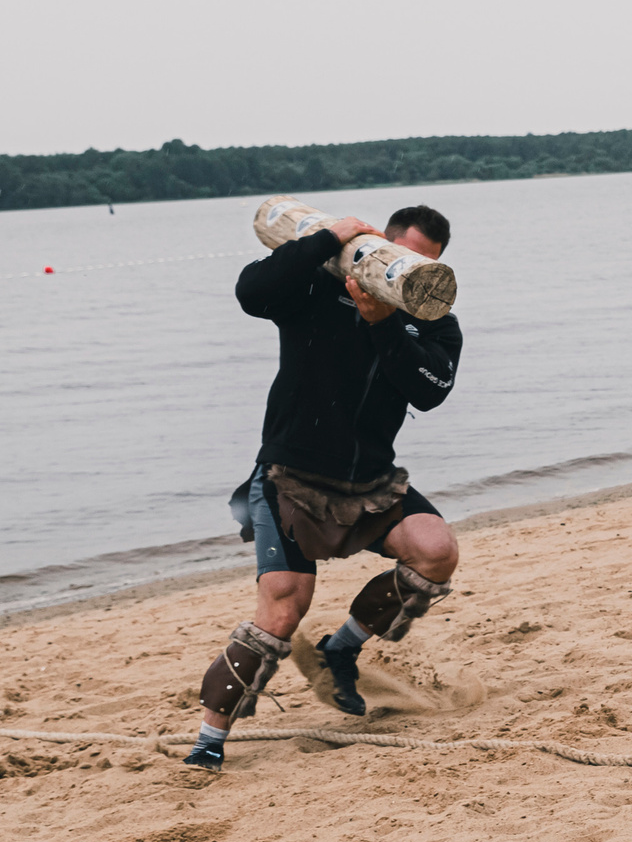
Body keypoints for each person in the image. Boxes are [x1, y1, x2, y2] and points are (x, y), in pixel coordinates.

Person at [184, 207, 464, 770]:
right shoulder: (316, 284)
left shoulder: (431, 318)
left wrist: (386, 321)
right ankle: (208, 742)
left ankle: (342, 648)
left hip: (372, 483)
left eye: (420, 266)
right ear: (378, 246)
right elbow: (251, 291)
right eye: (398, 258)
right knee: (284, 608)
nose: (404, 273)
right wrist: (323, 240)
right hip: (291, 475)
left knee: (436, 552)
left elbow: (429, 391)